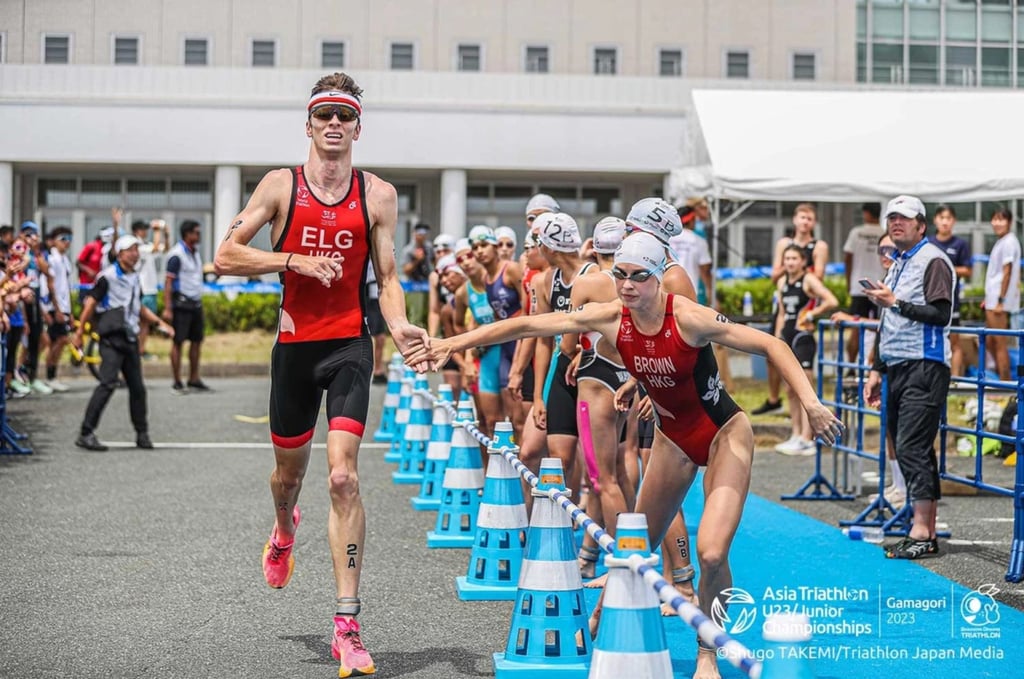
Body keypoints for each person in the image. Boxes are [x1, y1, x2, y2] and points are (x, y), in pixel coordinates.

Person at [410, 232, 841, 679]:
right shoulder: (612, 318)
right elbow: (527, 325)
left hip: (723, 433)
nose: (628, 285)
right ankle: (602, 612)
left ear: (660, 279)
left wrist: (811, 403)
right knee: (635, 545)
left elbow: (773, 345)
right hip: (675, 438)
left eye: (639, 277)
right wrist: (452, 344)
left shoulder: (689, 317)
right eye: (621, 275)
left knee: (712, 553)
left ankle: (708, 651)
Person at [212, 71, 429, 678]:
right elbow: (224, 256)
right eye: (324, 115)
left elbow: (387, 279)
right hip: (293, 351)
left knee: (341, 478)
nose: (334, 125)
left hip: (350, 347)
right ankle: (284, 531)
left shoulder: (378, 195)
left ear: (358, 126)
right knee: (288, 478)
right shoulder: (280, 185)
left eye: (345, 116)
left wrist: (401, 325)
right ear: (308, 125)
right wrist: (292, 259)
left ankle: (347, 625)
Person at [863, 195, 954, 560]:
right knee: (910, 447)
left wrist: (895, 302)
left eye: (905, 218)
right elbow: (889, 322)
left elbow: (940, 314)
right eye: (891, 218)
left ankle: (921, 530)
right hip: (898, 365)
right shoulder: (899, 263)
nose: (896, 223)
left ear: (921, 225)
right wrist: (876, 369)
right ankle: (924, 530)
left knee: (912, 446)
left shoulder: (933, 260)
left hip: (925, 364)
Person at [73, 236, 174, 452]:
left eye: (137, 250)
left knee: (138, 388)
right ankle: (86, 433)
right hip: (111, 338)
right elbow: (91, 302)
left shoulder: (134, 277)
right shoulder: (107, 277)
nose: (135, 254)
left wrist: (159, 323)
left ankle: (142, 433)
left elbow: (138, 308)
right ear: (119, 254)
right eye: (130, 250)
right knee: (108, 383)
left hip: (130, 338)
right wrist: (80, 331)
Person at [755, 203, 830, 416]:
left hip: (804, 305)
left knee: (802, 357)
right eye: (801, 217)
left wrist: (801, 272)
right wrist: (790, 266)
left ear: (814, 222)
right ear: (795, 220)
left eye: (809, 218)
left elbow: (820, 278)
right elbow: (774, 275)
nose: (805, 222)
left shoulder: (819, 246)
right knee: (773, 352)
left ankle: (807, 412)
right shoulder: (784, 244)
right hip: (785, 302)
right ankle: (774, 398)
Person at [773, 245, 839, 454]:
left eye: (794, 259)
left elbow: (831, 300)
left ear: (803, 261)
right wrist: (777, 338)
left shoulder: (809, 280)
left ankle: (807, 437)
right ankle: (795, 434)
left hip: (803, 337)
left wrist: (812, 314)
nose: (790, 263)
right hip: (788, 336)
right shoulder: (782, 282)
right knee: (790, 389)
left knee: (804, 388)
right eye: (787, 259)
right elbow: (782, 313)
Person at [163, 219, 208, 394]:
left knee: (196, 341)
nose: (199, 235)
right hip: (181, 304)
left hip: (195, 303)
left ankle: (194, 378)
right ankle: (177, 381)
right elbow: (168, 282)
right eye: (196, 232)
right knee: (178, 342)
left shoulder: (195, 253)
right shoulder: (176, 255)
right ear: (187, 234)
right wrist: (167, 308)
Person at [927, 205, 972, 378]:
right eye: (941, 218)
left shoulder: (960, 244)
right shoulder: (929, 243)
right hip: (929, 301)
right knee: (932, 341)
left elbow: (968, 270)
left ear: (954, 221)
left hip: (952, 301)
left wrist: (945, 268)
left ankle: (953, 380)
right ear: (935, 220)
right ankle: (932, 378)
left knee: (955, 342)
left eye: (948, 218)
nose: (945, 222)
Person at [842, 202, 884, 374]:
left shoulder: (856, 232)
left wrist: (849, 281)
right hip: (881, 286)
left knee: (855, 327)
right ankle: (875, 366)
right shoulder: (884, 233)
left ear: (866, 213)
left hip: (859, 287)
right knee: (881, 327)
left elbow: (848, 258)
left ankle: (851, 367)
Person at [982, 208, 1020, 381]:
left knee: (1000, 344)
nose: (997, 223)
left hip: (999, 301)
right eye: (995, 219)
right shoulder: (1002, 241)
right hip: (992, 300)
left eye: (1001, 219)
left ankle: (1005, 386)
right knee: (990, 342)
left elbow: (1007, 272)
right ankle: (999, 380)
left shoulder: (1009, 242)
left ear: (1010, 222)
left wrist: (1000, 301)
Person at [42, 226, 74, 392]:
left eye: (69, 239)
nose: (66, 242)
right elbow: (50, 286)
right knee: (59, 340)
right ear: (53, 240)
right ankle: (49, 376)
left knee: (59, 342)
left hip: (64, 306)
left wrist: (71, 312)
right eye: (63, 239)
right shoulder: (51, 259)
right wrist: (57, 309)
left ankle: (52, 376)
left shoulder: (65, 259)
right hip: (55, 307)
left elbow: (66, 287)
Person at [133, 219, 167, 359]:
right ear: (136, 231)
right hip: (142, 289)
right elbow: (155, 248)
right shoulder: (135, 246)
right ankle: (136, 350)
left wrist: (167, 234)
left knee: (145, 323)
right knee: (139, 321)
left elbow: (164, 249)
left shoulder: (146, 245)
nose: (146, 231)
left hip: (150, 288)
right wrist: (157, 230)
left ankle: (140, 350)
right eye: (143, 229)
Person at [400, 223, 434, 329]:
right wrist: (416, 260)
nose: (422, 236)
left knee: (429, 312)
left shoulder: (429, 247)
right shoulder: (408, 250)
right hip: (413, 285)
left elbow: (434, 261)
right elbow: (405, 270)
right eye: (419, 233)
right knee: (416, 314)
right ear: (414, 234)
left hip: (427, 283)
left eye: (424, 233)